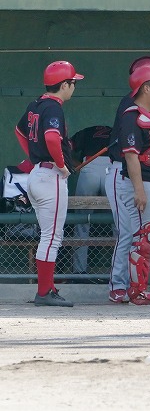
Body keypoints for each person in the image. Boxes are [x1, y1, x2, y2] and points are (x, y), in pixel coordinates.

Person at [14, 61, 84, 307]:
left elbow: (19, 131)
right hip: (50, 176)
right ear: (64, 84)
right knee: (52, 237)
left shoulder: (36, 104)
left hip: (38, 174)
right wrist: (61, 165)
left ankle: (47, 287)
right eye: (72, 82)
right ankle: (44, 292)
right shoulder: (53, 107)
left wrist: (35, 157)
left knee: (49, 235)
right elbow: (52, 138)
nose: (74, 86)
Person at [107, 55, 150, 303]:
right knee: (129, 233)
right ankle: (118, 286)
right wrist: (139, 188)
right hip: (122, 171)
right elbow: (131, 155)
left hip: (148, 179)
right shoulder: (130, 107)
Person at [69, 125, 113, 275]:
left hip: (89, 165)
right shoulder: (116, 131)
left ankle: (79, 271)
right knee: (118, 223)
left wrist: (78, 166)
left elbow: (65, 147)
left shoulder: (86, 131)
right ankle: (119, 271)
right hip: (111, 168)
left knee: (81, 222)